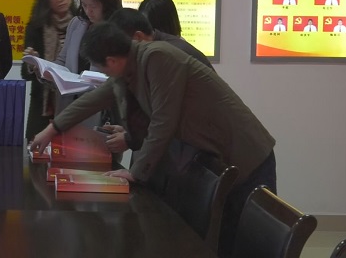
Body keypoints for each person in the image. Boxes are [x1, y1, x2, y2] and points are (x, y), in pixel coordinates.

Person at [31, 22, 276, 258]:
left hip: (245, 154)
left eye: (103, 69)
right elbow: (94, 100)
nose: (105, 75)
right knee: (225, 243)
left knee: (249, 245)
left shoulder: (158, 57)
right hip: (221, 156)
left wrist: (135, 172)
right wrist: (52, 129)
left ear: (112, 61)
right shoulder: (131, 67)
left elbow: (163, 122)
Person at [53, 0, 122, 118]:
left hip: (100, 106)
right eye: (84, 5)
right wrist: (47, 69)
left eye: (93, 6)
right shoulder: (76, 23)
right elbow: (63, 60)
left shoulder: (118, 28)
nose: (88, 11)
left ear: (106, 4)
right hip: (70, 103)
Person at [22, 0, 77, 141]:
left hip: (75, 105)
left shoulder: (81, 23)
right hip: (43, 107)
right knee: (36, 153)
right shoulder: (36, 27)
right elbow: (25, 74)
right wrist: (33, 63)